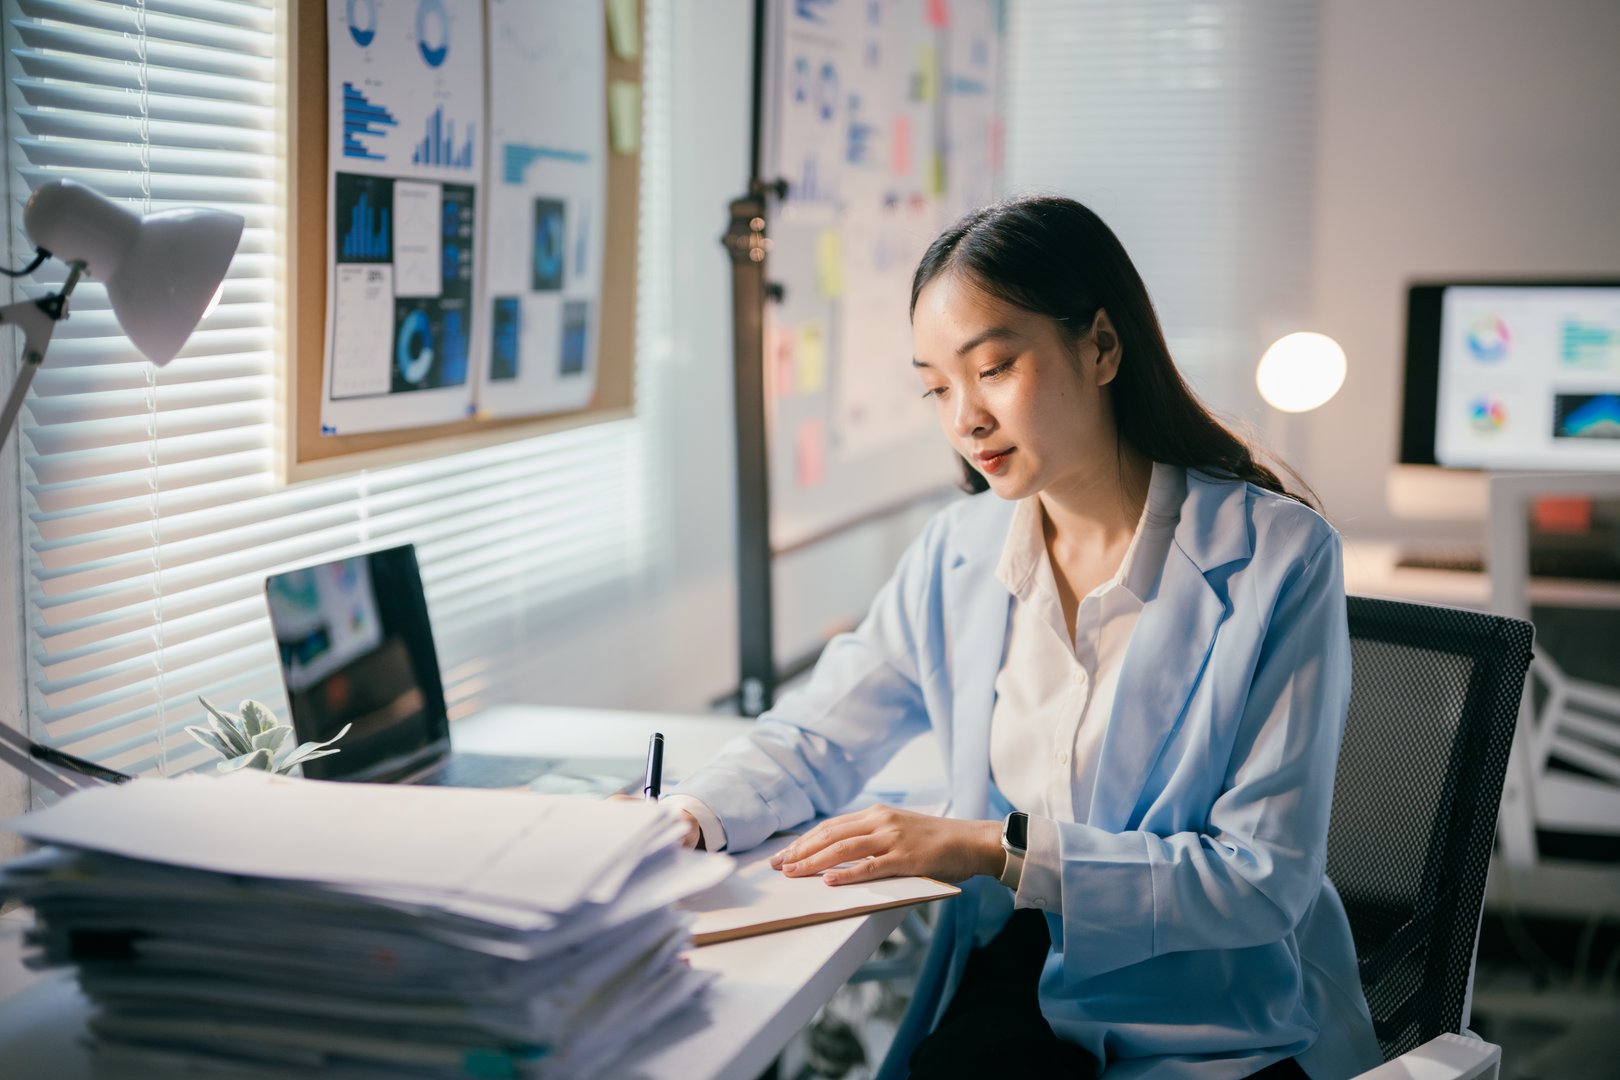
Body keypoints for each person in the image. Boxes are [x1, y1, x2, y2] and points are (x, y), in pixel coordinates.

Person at [662, 195, 1382, 1079]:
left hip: (1202, 1021)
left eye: (993, 368)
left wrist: (991, 848)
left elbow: (1259, 879)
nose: (964, 419)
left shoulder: (1278, 556)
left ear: (1103, 347)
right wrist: (684, 819)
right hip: (1021, 982)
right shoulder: (958, 552)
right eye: (935, 386)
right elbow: (815, 735)